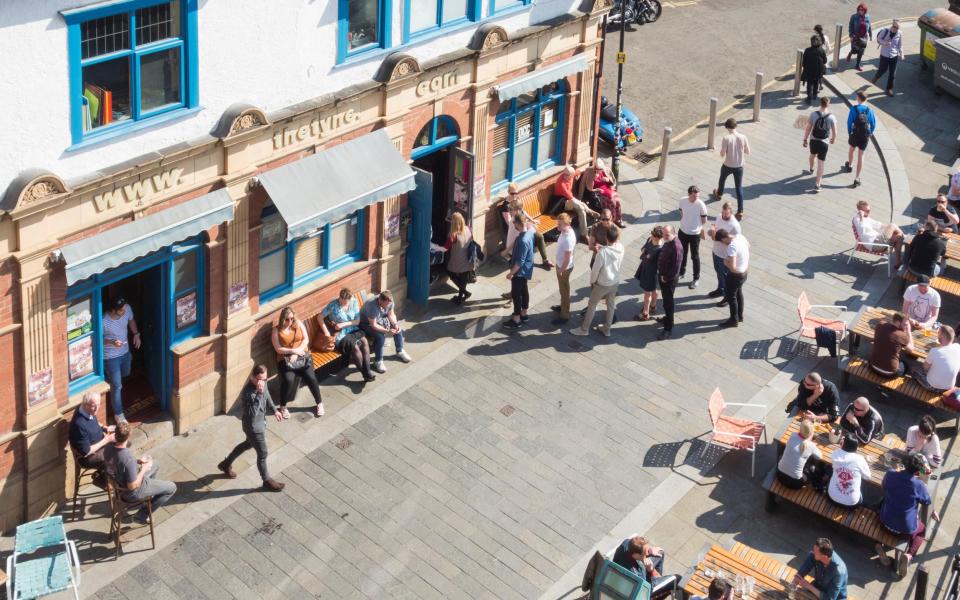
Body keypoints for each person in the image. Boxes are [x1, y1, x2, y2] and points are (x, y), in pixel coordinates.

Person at [217, 365, 285, 492]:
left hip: (259, 424)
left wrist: (275, 410)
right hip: (253, 428)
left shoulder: (262, 384)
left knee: (247, 444)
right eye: (260, 379)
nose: (263, 382)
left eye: (265, 379)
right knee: (262, 453)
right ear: (252, 377)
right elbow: (252, 413)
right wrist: (259, 393)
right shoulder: (248, 393)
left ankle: (225, 464)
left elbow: (267, 395)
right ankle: (267, 481)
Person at [876, 453, 941, 577]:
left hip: (884, 523)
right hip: (905, 530)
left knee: (879, 509)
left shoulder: (890, 474)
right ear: (918, 471)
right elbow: (927, 501)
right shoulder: (919, 485)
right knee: (922, 531)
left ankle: (877, 544)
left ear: (904, 464)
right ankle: (909, 555)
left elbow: (884, 486)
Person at [103, 421, 177, 524]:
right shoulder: (127, 458)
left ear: (115, 434)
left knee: (155, 464)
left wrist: (137, 461)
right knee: (172, 488)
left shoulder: (108, 448)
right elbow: (132, 486)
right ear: (129, 435)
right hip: (131, 492)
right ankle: (142, 515)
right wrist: (144, 469)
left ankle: (148, 497)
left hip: (118, 484)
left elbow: (119, 463)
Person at [271, 307, 324, 418]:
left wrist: (297, 352)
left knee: (311, 377)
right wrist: (292, 351)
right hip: (286, 360)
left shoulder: (298, 323)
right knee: (288, 380)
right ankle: (283, 406)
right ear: (282, 319)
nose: (290, 321)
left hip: (302, 357)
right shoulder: (276, 330)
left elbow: (306, 339)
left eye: (292, 318)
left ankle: (319, 403)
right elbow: (278, 348)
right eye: (287, 319)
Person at [572, 225, 624, 337]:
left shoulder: (602, 253)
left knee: (592, 304)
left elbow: (595, 270)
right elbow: (612, 249)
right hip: (614, 281)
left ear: (606, 238)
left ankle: (584, 329)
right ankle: (607, 329)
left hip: (602, 283)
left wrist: (593, 281)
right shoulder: (620, 247)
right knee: (610, 305)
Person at [321, 288, 375, 382]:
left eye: (346, 302)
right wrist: (326, 332)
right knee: (355, 347)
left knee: (364, 341)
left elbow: (357, 321)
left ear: (350, 299)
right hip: (341, 335)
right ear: (340, 297)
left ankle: (368, 371)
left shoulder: (353, 302)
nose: (344, 303)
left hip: (353, 329)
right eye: (342, 301)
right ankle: (365, 373)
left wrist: (343, 324)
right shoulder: (333, 305)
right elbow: (319, 318)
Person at [102, 297, 141, 424]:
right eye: (121, 310)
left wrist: (136, 334)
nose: (124, 311)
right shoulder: (103, 321)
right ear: (113, 310)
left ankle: (109, 379)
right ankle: (119, 415)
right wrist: (111, 342)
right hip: (110, 356)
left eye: (125, 308)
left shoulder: (127, 308)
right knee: (117, 385)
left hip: (125, 352)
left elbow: (131, 320)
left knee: (126, 373)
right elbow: (98, 340)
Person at [360, 290, 412, 374]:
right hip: (366, 323)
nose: (387, 306)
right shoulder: (371, 305)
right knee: (380, 337)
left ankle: (400, 351)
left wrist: (395, 324)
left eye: (388, 304)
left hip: (380, 319)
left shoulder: (389, 301)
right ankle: (378, 361)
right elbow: (373, 325)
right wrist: (387, 331)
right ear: (380, 300)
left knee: (398, 329)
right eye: (385, 304)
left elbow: (391, 314)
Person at [69, 392, 115, 486]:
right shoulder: (79, 424)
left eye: (98, 405)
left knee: (123, 440)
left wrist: (104, 427)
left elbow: (94, 420)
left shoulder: (88, 410)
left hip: (100, 444)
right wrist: (106, 440)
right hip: (88, 457)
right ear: (85, 405)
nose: (97, 408)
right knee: (116, 452)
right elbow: (86, 452)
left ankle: (106, 475)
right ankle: (102, 479)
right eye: (94, 406)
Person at [502, 184, 553, 269]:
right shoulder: (506, 206)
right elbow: (510, 223)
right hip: (517, 229)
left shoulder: (517, 201)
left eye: (516, 193)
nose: (514, 195)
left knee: (539, 236)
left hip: (524, 226)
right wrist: (526, 227)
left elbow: (523, 212)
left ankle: (545, 259)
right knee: (528, 240)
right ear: (508, 192)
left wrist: (532, 220)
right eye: (512, 193)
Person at [612, 536, 680, 597]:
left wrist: (651, 550)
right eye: (645, 553)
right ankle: (659, 587)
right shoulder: (636, 574)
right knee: (678, 579)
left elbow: (638, 545)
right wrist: (651, 570)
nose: (647, 554)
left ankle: (659, 580)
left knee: (660, 553)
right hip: (645, 587)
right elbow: (646, 588)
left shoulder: (626, 543)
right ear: (635, 555)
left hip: (637, 568)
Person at [713, 118, 751, 220]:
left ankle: (719, 193)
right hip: (739, 166)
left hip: (728, 165)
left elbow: (722, 153)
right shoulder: (743, 137)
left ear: (727, 127)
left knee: (722, 179)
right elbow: (748, 151)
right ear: (736, 126)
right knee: (738, 187)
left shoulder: (726, 138)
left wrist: (723, 152)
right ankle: (740, 211)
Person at [707, 202, 742, 305]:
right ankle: (720, 289)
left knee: (726, 277)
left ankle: (727, 297)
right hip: (716, 252)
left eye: (726, 213)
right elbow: (715, 228)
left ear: (731, 212)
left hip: (725, 256)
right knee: (719, 273)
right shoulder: (719, 217)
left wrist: (719, 239)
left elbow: (735, 243)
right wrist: (712, 231)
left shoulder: (735, 226)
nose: (723, 215)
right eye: (722, 212)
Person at [505, 214, 534, 329]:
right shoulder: (529, 234)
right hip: (527, 270)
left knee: (516, 294)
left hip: (520, 272)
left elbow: (519, 262)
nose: (513, 225)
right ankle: (524, 313)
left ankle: (516, 319)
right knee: (524, 290)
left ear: (517, 223)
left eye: (514, 223)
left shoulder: (522, 240)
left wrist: (511, 273)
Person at [853, 200, 904, 267]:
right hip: (874, 244)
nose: (869, 212)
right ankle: (905, 237)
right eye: (867, 211)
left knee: (899, 237)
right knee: (892, 225)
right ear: (861, 211)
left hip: (878, 241)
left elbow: (878, 225)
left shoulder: (866, 218)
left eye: (869, 210)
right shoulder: (857, 219)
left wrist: (890, 228)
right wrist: (861, 217)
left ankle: (898, 262)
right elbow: (862, 229)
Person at [554, 165, 599, 240]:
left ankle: (584, 235)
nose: (564, 176)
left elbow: (579, 170)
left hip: (571, 202)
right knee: (578, 204)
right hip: (561, 203)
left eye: (567, 175)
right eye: (564, 173)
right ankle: (590, 211)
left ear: (572, 175)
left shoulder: (572, 174)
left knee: (581, 211)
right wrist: (583, 205)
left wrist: (581, 173)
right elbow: (572, 199)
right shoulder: (561, 184)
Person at [803, 97, 838, 192]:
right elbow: (835, 132)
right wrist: (833, 139)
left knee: (812, 155)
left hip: (814, 140)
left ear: (820, 103)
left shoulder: (813, 114)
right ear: (828, 104)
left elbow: (808, 128)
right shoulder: (832, 117)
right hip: (824, 142)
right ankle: (818, 184)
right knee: (821, 163)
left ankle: (811, 168)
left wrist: (805, 139)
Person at [716, 229, 749, 328]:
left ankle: (733, 320)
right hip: (744, 272)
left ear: (723, 239)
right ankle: (740, 316)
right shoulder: (740, 237)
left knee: (731, 297)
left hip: (736, 275)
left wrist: (726, 263)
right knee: (739, 293)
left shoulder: (732, 247)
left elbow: (733, 267)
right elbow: (748, 247)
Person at [912, 325, 960, 392]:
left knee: (914, 369)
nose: (938, 335)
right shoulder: (958, 347)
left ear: (942, 336)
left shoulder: (934, 351)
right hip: (949, 387)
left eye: (939, 333)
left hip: (933, 387)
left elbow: (925, 368)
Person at [843, 93, 877, 188]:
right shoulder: (869, 110)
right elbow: (873, 124)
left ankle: (849, 165)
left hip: (855, 134)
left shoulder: (853, 109)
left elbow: (849, 122)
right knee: (861, 155)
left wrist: (850, 132)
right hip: (864, 136)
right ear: (866, 99)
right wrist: (870, 133)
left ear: (858, 98)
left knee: (851, 149)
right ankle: (857, 178)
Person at [777, 419, 823, 490]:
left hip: (779, 475)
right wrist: (812, 441)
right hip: (795, 483)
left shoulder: (793, 435)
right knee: (811, 470)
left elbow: (801, 439)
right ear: (811, 433)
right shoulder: (811, 445)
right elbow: (819, 457)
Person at [827, 435, 871, 507]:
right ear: (856, 448)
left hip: (831, 498)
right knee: (861, 482)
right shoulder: (859, 459)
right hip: (851, 504)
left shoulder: (835, 454)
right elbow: (868, 477)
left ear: (843, 444)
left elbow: (839, 453)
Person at [678, 185, 708, 289]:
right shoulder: (682, 201)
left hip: (695, 234)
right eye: (694, 196)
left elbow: (704, 220)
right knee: (682, 253)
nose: (696, 198)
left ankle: (696, 278)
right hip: (682, 231)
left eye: (698, 196)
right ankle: (681, 272)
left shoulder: (701, 205)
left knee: (695, 256)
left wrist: (696, 226)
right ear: (689, 194)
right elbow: (681, 212)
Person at [869, 311, 916, 377]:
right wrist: (909, 331)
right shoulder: (902, 336)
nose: (906, 326)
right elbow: (910, 349)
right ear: (897, 322)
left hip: (872, 367)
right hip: (889, 373)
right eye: (905, 324)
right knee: (906, 365)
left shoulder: (880, 325)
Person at [656, 225, 683, 340]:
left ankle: (668, 327)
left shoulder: (676, 247)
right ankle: (667, 318)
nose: (664, 237)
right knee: (666, 301)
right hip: (663, 276)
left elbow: (675, 269)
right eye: (663, 234)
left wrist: (665, 278)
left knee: (668, 302)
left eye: (667, 235)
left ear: (674, 234)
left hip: (668, 280)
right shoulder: (669, 241)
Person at [551, 213, 577, 325]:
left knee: (565, 291)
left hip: (564, 268)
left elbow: (567, 257)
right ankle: (562, 307)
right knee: (563, 289)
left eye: (560, 224)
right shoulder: (565, 231)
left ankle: (564, 315)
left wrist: (561, 269)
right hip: (561, 265)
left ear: (566, 224)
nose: (558, 226)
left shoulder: (568, 238)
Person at [634, 226, 664, 321]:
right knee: (654, 290)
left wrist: (646, 254)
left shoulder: (659, 249)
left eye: (654, 235)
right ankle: (653, 306)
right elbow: (643, 249)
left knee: (647, 294)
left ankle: (645, 313)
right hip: (646, 268)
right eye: (652, 234)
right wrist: (646, 254)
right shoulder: (650, 239)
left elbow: (647, 255)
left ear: (659, 237)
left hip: (652, 273)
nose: (652, 236)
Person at [444, 212, 474, 304]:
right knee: (463, 278)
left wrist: (434, 247)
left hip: (458, 261)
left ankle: (462, 295)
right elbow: (472, 240)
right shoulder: (468, 228)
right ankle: (462, 295)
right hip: (468, 260)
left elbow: (445, 247)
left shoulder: (453, 235)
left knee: (449, 272)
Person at [873, 20, 904, 97]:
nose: (896, 29)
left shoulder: (900, 33)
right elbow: (879, 39)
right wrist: (885, 43)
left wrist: (902, 54)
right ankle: (876, 77)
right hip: (884, 55)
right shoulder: (885, 31)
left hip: (894, 56)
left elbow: (900, 45)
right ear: (892, 25)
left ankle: (889, 89)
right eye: (895, 27)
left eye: (897, 28)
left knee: (892, 74)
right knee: (882, 70)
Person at [801, 35, 827, 105]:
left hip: (809, 71)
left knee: (809, 84)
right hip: (819, 71)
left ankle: (809, 97)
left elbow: (804, 62)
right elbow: (825, 61)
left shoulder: (807, 50)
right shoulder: (822, 50)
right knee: (816, 82)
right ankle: (815, 95)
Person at [846, 3, 872, 71]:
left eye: (862, 10)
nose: (860, 11)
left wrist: (870, 34)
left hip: (864, 37)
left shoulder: (868, 17)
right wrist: (851, 35)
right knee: (854, 49)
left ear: (865, 10)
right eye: (859, 9)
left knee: (861, 51)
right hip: (855, 36)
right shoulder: (854, 16)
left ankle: (857, 65)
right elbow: (850, 26)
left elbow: (869, 26)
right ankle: (850, 53)